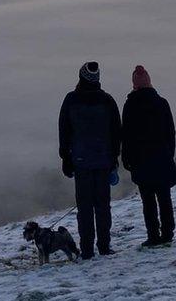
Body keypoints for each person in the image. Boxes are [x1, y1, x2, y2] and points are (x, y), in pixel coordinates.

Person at [58, 61, 122, 258]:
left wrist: (66, 158)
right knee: (103, 206)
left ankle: (87, 249)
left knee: (84, 207)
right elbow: (116, 131)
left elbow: (64, 130)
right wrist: (114, 157)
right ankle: (104, 246)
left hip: (80, 161)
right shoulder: (107, 100)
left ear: (81, 78)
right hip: (103, 161)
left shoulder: (71, 100)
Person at [122, 65, 176, 247]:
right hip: (162, 158)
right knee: (164, 197)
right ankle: (168, 233)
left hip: (141, 160)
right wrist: (169, 153)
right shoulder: (162, 103)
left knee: (148, 200)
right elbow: (171, 132)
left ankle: (153, 235)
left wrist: (126, 158)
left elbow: (126, 135)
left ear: (134, 84)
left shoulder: (130, 105)